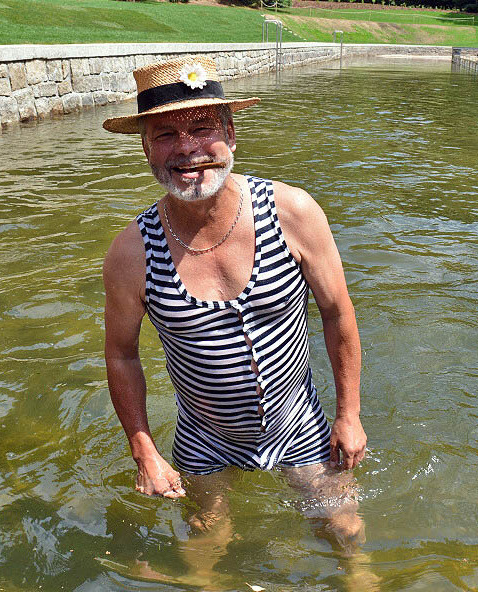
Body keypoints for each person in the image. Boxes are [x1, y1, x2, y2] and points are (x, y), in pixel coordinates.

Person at [101, 55, 372, 585]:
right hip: (204, 435)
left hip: (299, 423)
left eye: (202, 127)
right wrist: (144, 452)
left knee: (344, 532)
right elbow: (121, 353)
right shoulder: (131, 253)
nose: (186, 148)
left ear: (230, 133)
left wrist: (350, 414)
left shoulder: (292, 213)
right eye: (165, 135)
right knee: (204, 547)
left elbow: (337, 311)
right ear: (146, 149)